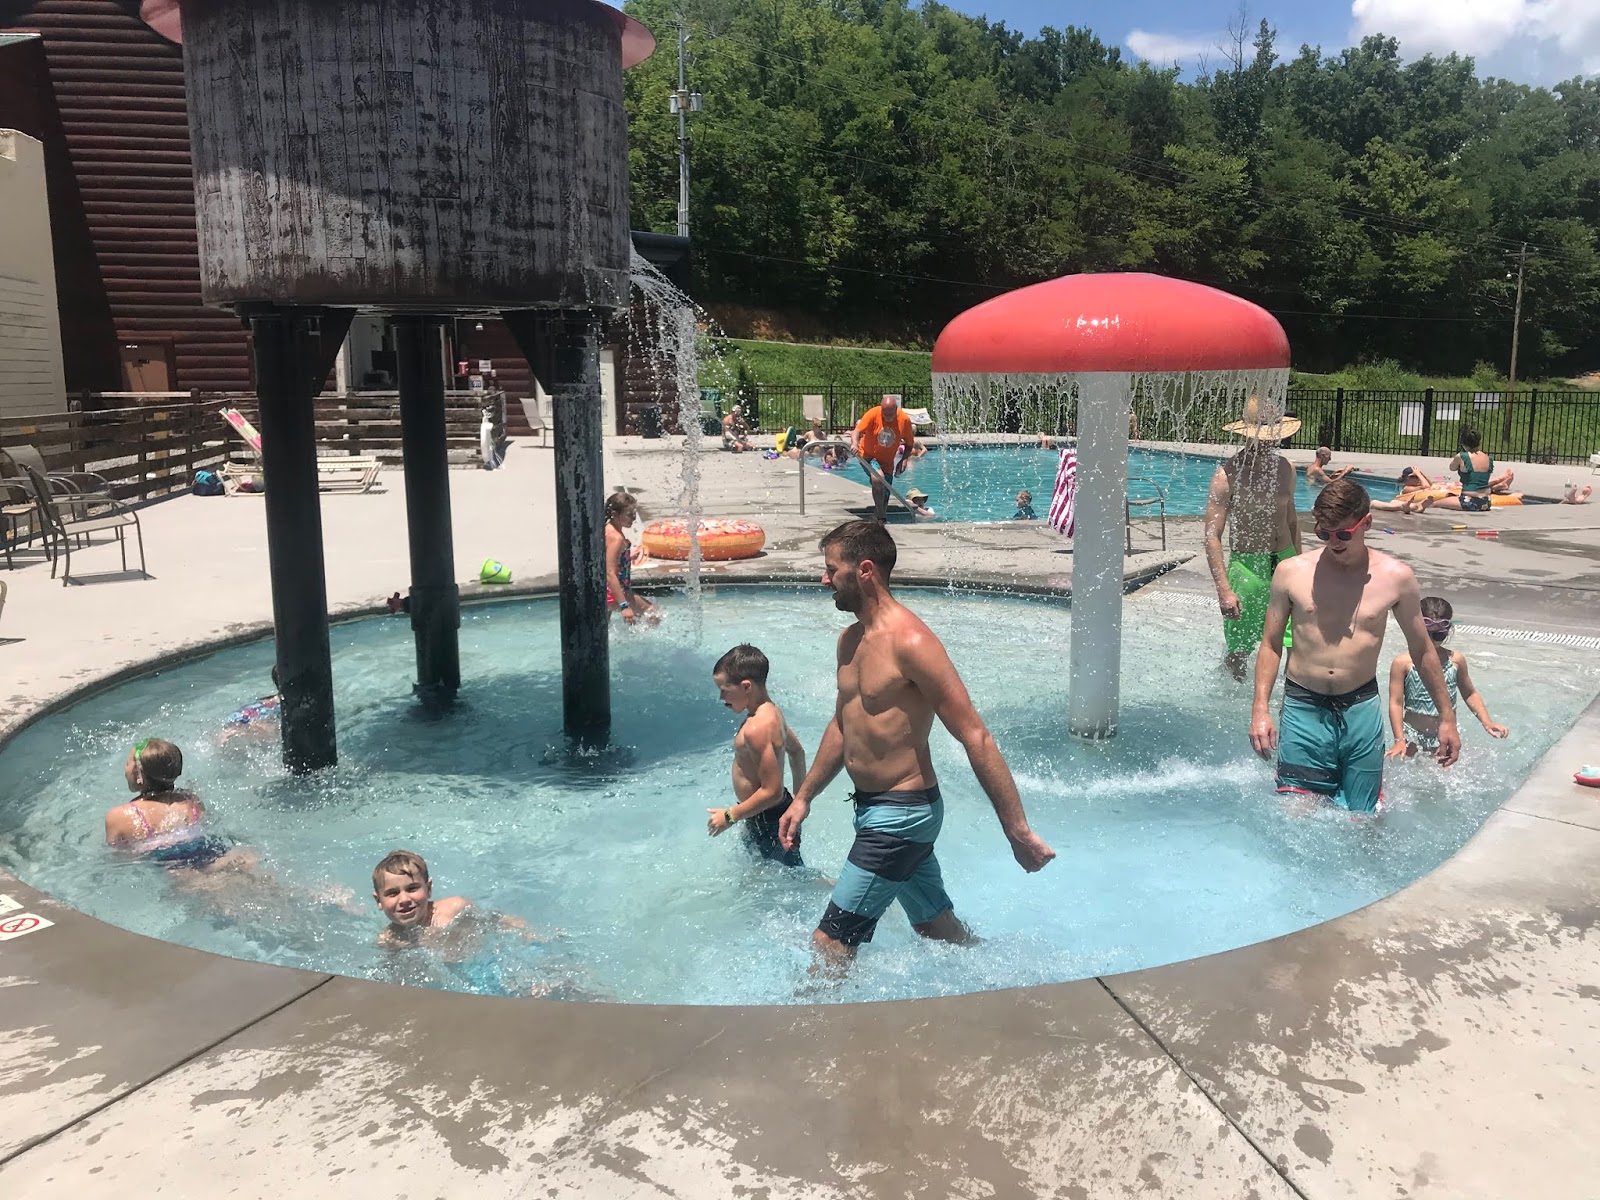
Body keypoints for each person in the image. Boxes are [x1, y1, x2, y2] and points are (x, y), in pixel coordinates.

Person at [777, 521, 1055, 974]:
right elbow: (842, 725)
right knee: (936, 928)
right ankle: (1013, 978)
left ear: (865, 570)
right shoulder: (850, 641)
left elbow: (974, 734)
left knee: (830, 943)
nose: (824, 579)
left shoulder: (912, 642)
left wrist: (1017, 831)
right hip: (873, 808)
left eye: (831, 569)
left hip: (902, 815)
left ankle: (816, 1021)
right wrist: (804, 796)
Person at [1250, 479, 1461, 814]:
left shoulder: (1396, 577)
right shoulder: (1291, 573)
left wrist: (1447, 718)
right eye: (1325, 533)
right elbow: (1271, 644)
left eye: (1344, 534)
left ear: (1367, 523)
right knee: (1296, 814)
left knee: (1363, 819)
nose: (1334, 542)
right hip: (1303, 705)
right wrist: (1260, 709)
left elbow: (1422, 649)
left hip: (1360, 707)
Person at [1204, 400, 1303, 679]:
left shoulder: (1286, 468)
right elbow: (1212, 536)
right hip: (1248, 567)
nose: (1270, 442)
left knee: (1293, 641)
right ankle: (1232, 696)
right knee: (1240, 648)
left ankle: (1290, 697)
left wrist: (1302, 568)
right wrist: (1224, 590)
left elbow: (1292, 522)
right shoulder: (1228, 475)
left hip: (1284, 560)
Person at [706, 644, 809, 867]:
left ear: (746, 686)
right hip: (765, 815)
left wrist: (730, 816)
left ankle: (843, 888)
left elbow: (772, 791)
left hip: (769, 821)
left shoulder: (757, 728)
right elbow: (797, 752)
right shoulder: (771, 712)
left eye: (724, 690)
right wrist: (799, 802)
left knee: (796, 879)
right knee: (775, 875)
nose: (721, 697)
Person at [1387, 597, 1508, 760]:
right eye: (1427, 634)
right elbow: (1396, 703)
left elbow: (1470, 694)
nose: (1432, 640)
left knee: (1446, 770)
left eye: (1438, 635)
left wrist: (1487, 721)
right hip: (1412, 736)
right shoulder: (1402, 663)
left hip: (1445, 735)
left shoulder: (1456, 661)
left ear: (1449, 630)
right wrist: (1399, 739)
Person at [105, 738, 237, 870]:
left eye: (127, 764)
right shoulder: (192, 801)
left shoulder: (120, 816)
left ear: (138, 774)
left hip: (176, 864)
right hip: (214, 849)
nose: (125, 769)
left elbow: (121, 859)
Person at [372, 848, 538, 949]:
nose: (404, 899)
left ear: (428, 889)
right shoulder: (390, 939)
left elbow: (496, 920)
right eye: (393, 893)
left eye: (412, 888)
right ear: (379, 901)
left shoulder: (455, 908)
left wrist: (529, 935)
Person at [852, 394, 916, 523]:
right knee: (878, 479)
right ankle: (881, 516)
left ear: (896, 409)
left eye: (890, 415)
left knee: (885, 493)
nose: (886, 417)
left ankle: (878, 518)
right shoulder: (873, 413)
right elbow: (857, 431)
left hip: (887, 462)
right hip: (868, 455)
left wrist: (904, 459)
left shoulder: (904, 420)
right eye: (884, 414)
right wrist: (854, 443)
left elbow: (909, 444)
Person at [604, 490, 659, 626]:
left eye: (634, 513)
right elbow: (609, 573)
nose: (633, 518)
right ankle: (644, 639)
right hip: (613, 592)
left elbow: (608, 559)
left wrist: (627, 558)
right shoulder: (616, 538)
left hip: (607, 590)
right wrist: (624, 606)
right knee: (652, 612)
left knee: (604, 630)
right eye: (629, 514)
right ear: (614, 514)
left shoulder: (608, 529)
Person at [1429, 428, 1495, 512]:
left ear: (1463, 443)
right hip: (1486, 501)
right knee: (1450, 497)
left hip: (1469, 501)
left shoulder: (1462, 456)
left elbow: (1452, 468)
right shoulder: (1488, 458)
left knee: (1434, 503)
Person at [218, 667, 282, 745]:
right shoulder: (283, 706)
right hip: (257, 721)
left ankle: (230, 733)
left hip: (239, 717)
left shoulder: (263, 701)